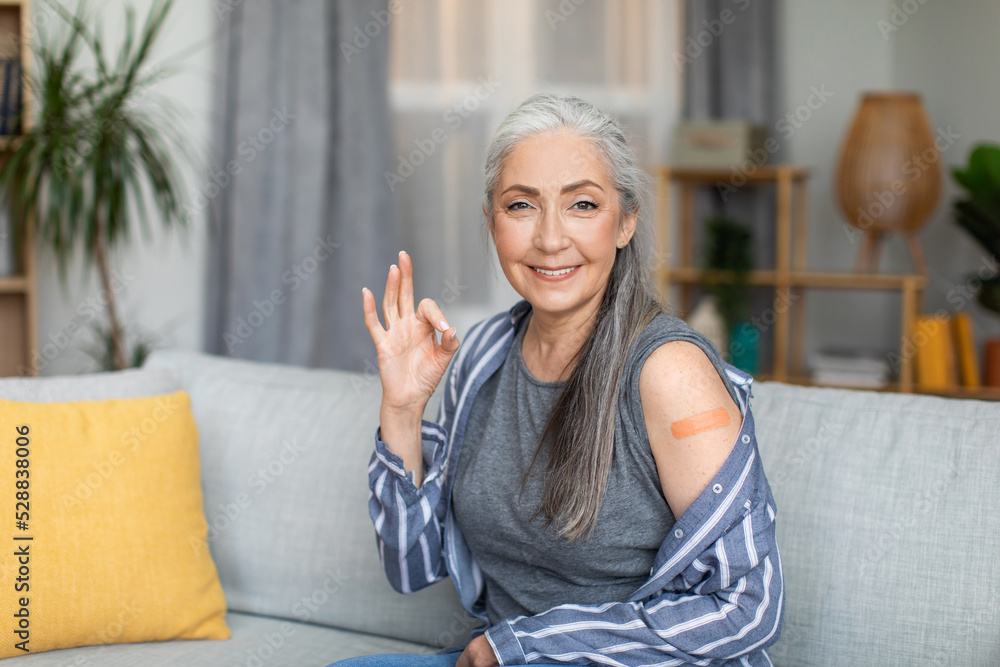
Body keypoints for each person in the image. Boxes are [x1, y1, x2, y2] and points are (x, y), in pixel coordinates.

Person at [335, 94, 782, 667]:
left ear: (625, 222)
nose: (549, 238)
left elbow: (748, 607)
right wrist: (401, 408)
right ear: (492, 221)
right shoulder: (483, 358)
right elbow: (410, 567)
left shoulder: (668, 370)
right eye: (521, 205)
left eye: (583, 205)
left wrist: (522, 645)